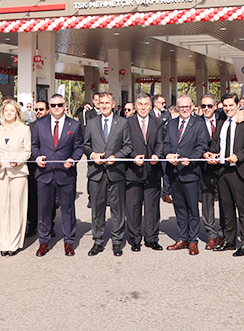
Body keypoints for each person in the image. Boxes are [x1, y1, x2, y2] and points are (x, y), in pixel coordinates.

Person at [206, 94, 244, 256]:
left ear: (238, 105)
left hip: (239, 170)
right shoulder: (222, 121)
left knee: (242, 208)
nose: (228, 108)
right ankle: (229, 241)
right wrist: (212, 153)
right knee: (226, 208)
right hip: (223, 170)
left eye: (231, 105)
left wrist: (239, 155)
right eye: (225, 105)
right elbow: (217, 142)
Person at [83, 90, 133, 256]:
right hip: (96, 173)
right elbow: (86, 144)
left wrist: (116, 157)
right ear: (98, 104)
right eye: (101, 102)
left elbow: (128, 146)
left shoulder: (123, 122)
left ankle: (117, 241)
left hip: (116, 172)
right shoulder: (91, 122)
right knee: (97, 208)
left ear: (113, 104)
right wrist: (92, 155)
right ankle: (98, 241)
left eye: (107, 103)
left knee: (118, 209)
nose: (104, 105)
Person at [32, 94, 83, 256]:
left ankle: (69, 241)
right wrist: (37, 156)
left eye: (59, 105)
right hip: (44, 173)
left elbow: (79, 147)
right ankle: (44, 241)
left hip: (65, 174)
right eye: (52, 105)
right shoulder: (39, 124)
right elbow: (34, 146)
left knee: (68, 209)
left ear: (64, 106)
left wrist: (73, 159)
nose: (56, 108)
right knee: (44, 209)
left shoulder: (74, 125)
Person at [162, 94, 210, 255]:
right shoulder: (171, 124)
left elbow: (202, 145)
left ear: (192, 107)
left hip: (190, 172)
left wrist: (191, 158)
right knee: (179, 208)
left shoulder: (199, 124)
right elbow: (166, 143)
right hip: (174, 172)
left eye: (187, 107)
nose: (184, 110)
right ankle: (183, 238)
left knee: (192, 208)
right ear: (177, 108)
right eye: (181, 107)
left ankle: (193, 240)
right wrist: (168, 155)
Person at [0, 99, 31, 255]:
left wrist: (17, 160)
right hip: (0, 172)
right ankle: (4, 243)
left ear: (17, 113)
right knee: (2, 207)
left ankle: (14, 242)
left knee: (16, 207)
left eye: (12, 110)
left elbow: (27, 151)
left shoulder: (24, 129)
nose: (8, 113)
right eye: (6, 110)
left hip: (18, 172)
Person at [124, 94, 165, 251]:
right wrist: (133, 156)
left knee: (152, 207)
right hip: (133, 171)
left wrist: (157, 155)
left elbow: (160, 142)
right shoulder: (127, 123)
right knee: (133, 207)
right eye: (140, 104)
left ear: (151, 106)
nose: (142, 107)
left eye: (146, 104)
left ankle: (151, 238)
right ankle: (135, 239)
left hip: (153, 171)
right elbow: (125, 144)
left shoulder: (158, 122)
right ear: (135, 106)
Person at [196, 95, 225, 249]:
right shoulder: (196, 122)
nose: (206, 109)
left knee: (224, 199)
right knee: (207, 201)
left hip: (222, 165)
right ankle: (211, 234)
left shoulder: (223, 119)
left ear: (215, 106)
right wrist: (204, 154)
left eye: (209, 106)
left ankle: (224, 232)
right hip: (205, 165)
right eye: (203, 106)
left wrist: (220, 155)